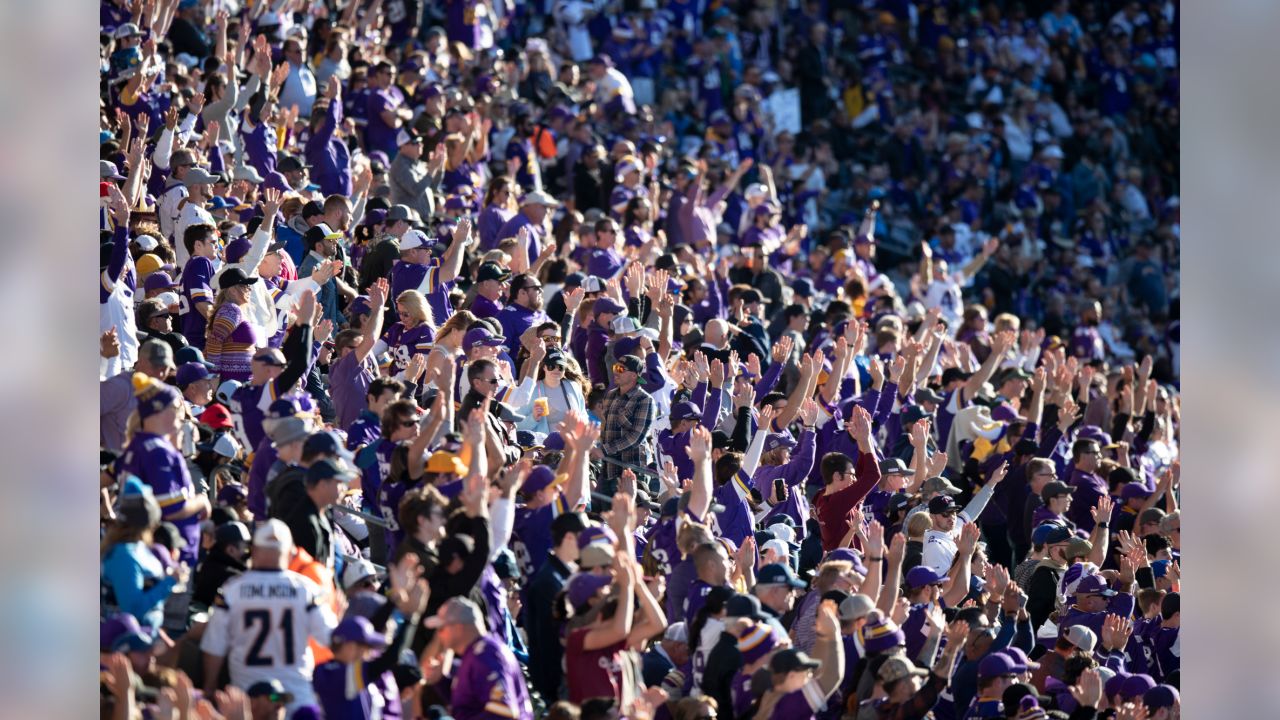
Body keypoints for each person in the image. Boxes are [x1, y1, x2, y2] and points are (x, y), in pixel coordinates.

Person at [201, 520, 339, 713]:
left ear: (255, 550)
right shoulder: (306, 590)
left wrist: (209, 687)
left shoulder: (232, 590)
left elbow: (214, 646)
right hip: (292, 698)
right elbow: (332, 640)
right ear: (289, 552)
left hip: (250, 700)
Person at [424, 597, 535, 720]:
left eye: (442, 628)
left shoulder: (486, 656)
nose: (439, 634)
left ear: (458, 628)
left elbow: (504, 712)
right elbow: (469, 704)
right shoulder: (476, 653)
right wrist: (441, 681)